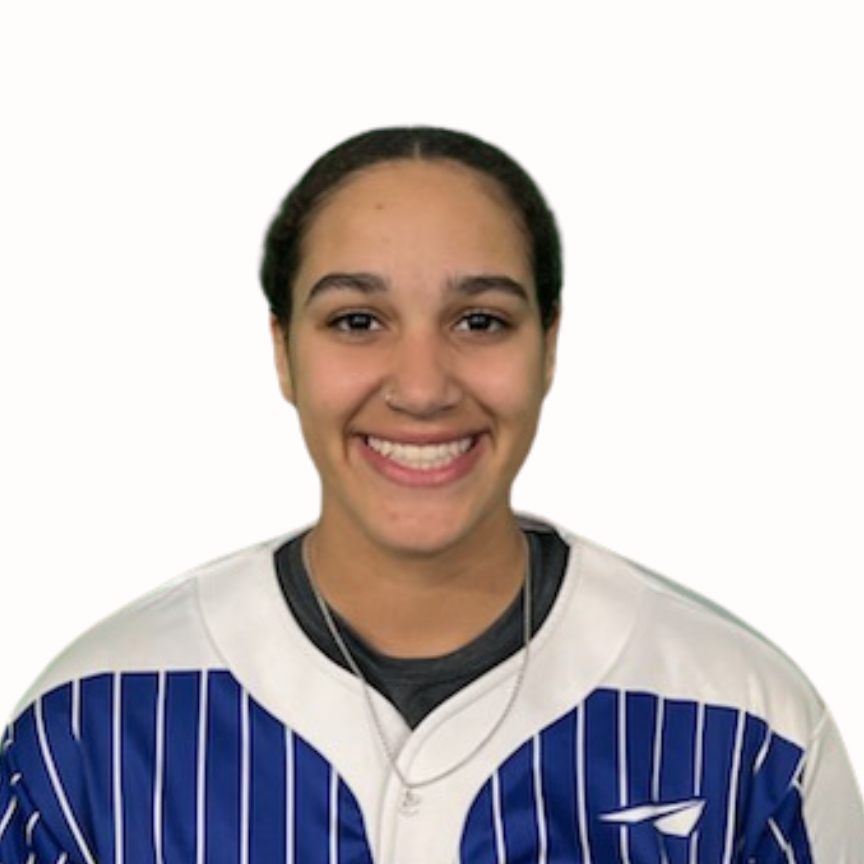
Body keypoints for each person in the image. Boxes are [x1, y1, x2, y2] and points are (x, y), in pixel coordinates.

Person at [1, 126, 861, 864]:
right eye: (357, 321)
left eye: (480, 320)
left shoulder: (747, 726)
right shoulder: (91, 727)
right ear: (283, 351)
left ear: (549, 345)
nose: (421, 387)